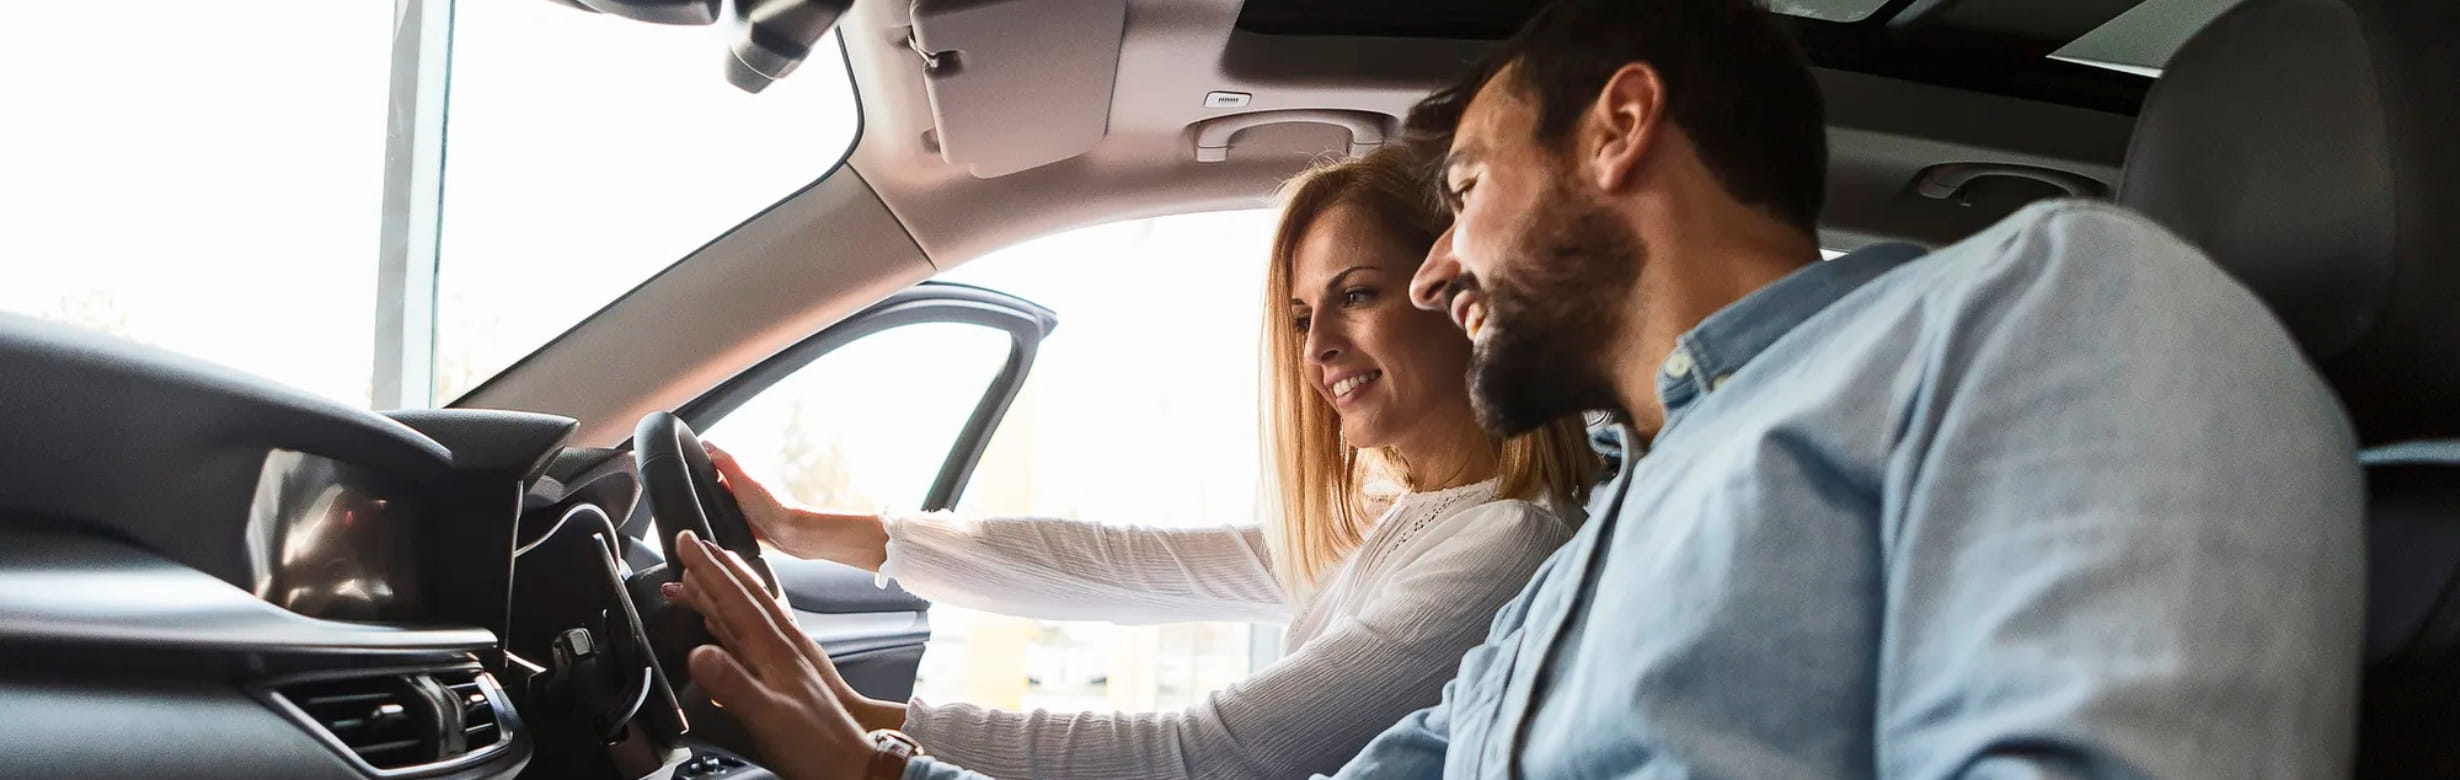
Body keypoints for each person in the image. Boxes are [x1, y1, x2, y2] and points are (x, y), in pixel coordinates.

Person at [1324, 0, 2364, 777]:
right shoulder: (1573, 568)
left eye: (1465, 193)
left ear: (1620, 126)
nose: (1432, 273)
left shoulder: (2038, 310)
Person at [668, 144, 1600, 780]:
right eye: (1305, 318)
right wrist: (803, 531)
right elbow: (1118, 562)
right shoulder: (1397, 515)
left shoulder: (1505, 544)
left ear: (1455, 291)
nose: (1319, 351)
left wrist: (878, 738)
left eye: (1357, 295)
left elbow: (1205, 758)